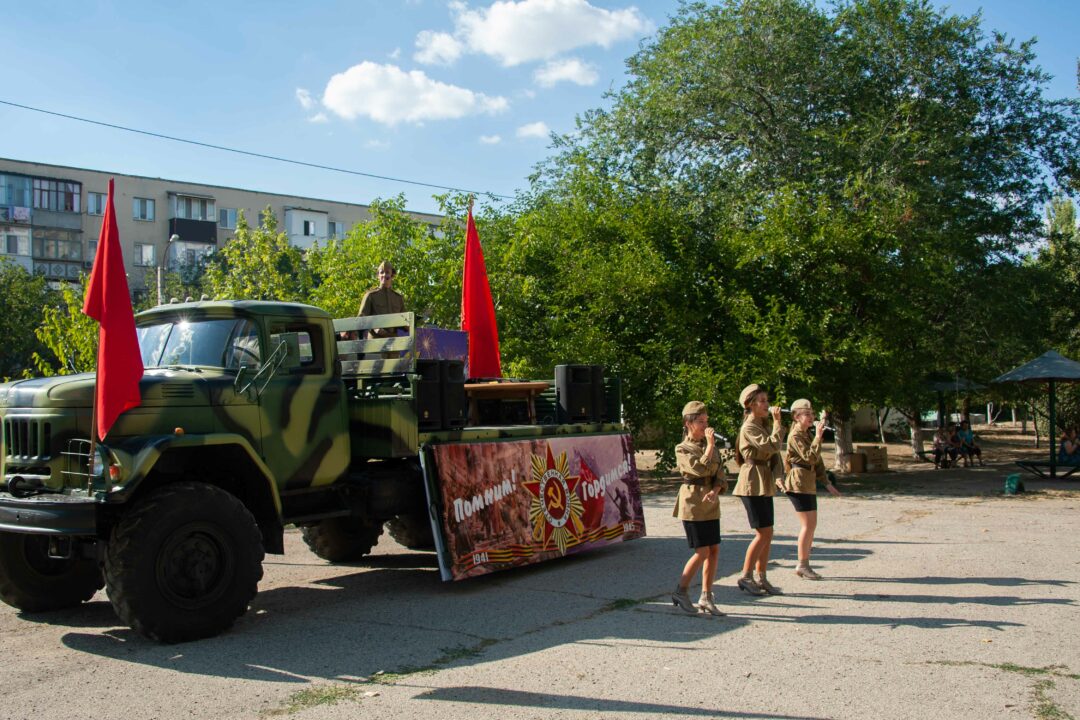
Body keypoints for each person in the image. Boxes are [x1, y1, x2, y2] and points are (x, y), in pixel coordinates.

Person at [670, 401, 727, 616]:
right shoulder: (682, 448)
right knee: (701, 551)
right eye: (700, 422)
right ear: (688, 423)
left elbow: (719, 471)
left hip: (710, 503)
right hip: (693, 504)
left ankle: (706, 595)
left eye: (706, 421)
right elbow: (696, 469)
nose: (705, 426)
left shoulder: (708, 446)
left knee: (713, 550)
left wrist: (716, 488)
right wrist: (711, 447)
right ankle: (681, 591)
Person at [732, 384, 784, 596]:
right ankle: (746, 575)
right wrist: (779, 423)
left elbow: (775, 456)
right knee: (762, 532)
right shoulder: (750, 427)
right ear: (750, 405)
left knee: (768, 532)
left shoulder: (762, 425)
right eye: (762, 401)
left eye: (766, 400)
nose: (767, 404)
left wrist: (779, 476)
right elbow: (771, 446)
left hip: (763, 480)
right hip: (752, 482)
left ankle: (761, 576)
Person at [781, 399, 841, 580]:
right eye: (807, 414)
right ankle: (802, 564)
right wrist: (818, 437)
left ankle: (804, 563)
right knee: (807, 525)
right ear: (796, 417)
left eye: (812, 414)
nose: (811, 418)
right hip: (798, 483)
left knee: (811, 525)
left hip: (807, 481)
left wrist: (827, 482)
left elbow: (818, 462)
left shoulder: (806, 434)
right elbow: (809, 457)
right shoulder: (796, 436)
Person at [358, 261, 406, 334]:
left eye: (387, 272)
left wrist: (410, 325)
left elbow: (404, 320)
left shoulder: (398, 298)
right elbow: (361, 319)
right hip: (375, 341)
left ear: (392, 275)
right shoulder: (370, 295)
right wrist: (374, 328)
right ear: (378, 276)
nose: (384, 275)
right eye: (381, 272)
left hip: (394, 341)